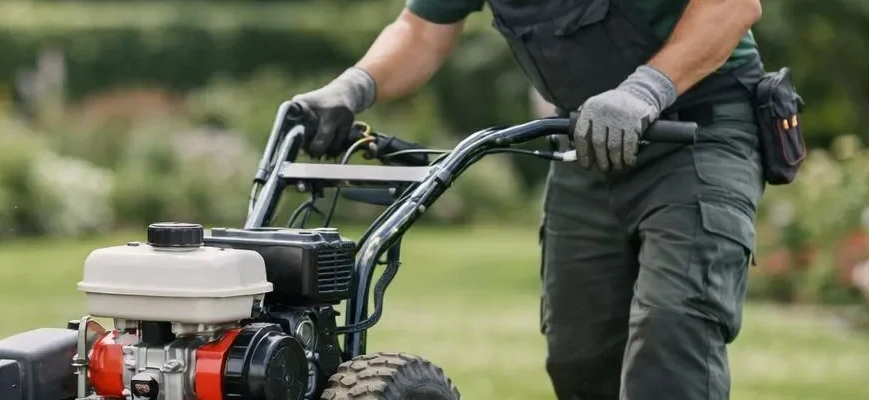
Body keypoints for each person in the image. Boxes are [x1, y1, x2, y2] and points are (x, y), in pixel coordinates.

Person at [290, 0, 767, 399]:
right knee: (580, 359)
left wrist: (645, 90)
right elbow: (421, 31)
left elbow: (732, 4)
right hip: (585, 139)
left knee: (672, 335)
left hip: (699, 133)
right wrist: (350, 88)